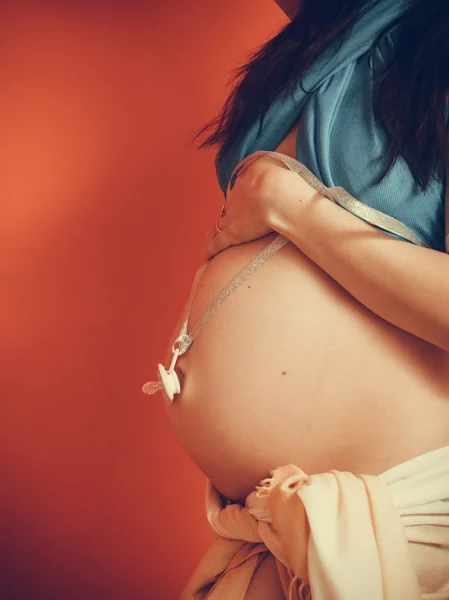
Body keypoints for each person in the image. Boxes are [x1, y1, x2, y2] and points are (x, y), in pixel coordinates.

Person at [147, 0, 449, 597]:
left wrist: (296, 210)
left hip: (392, 516)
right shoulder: (319, 54)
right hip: (272, 525)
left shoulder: (435, 54)